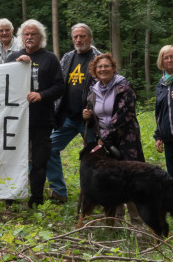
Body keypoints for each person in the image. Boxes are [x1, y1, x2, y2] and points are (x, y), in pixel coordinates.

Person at [6, 19, 64, 208]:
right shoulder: (12, 56)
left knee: (39, 161)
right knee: (14, 159)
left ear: (41, 37)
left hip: (41, 119)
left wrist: (41, 95)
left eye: (34, 34)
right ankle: (11, 196)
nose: (30, 37)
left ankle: (36, 198)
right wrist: (18, 64)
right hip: (15, 120)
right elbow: (1, 81)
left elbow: (60, 87)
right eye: (26, 34)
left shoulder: (50, 58)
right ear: (21, 37)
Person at [83, 53, 144, 223]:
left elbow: (124, 114)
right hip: (105, 140)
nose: (103, 69)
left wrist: (105, 137)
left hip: (126, 139)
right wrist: (86, 114)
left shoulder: (124, 87)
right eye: (99, 67)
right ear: (95, 70)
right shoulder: (93, 90)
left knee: (131, 178)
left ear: (113, 68)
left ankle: (137, 222)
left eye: (106, 66)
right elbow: (94, 114)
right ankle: (115, 220)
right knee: (111, 179)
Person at [46, 24, 101, 203]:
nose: (79, 40)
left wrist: (93, 110)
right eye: (76, 36)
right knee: (49, 148)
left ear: (90, 37)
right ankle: (58, 191)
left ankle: (95, 195)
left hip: (90, 121)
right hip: (67, 117)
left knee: (96, 157)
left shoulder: (99, 58)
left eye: (82, 36)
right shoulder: (68, 57)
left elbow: (108, 89)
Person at [154, 45, 173, 176]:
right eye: (166, 58)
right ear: (162, 61)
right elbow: (159, 113)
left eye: (172, 57)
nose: (169, 60)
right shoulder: (161, 84)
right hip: (168, 137)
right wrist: (158, 136)